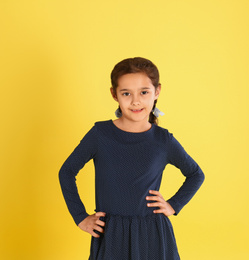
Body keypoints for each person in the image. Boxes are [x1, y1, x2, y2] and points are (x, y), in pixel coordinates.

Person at [59, 57, 205, 260]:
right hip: (111, 235)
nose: (136, 101)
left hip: (153, 235)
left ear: (157, 92)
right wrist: (80, 217)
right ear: (114, 94)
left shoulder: (163, 140)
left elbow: (196, 174)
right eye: (126, 93)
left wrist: (174, 204)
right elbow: (66, 172)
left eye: (144, 92)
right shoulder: (100, 135)